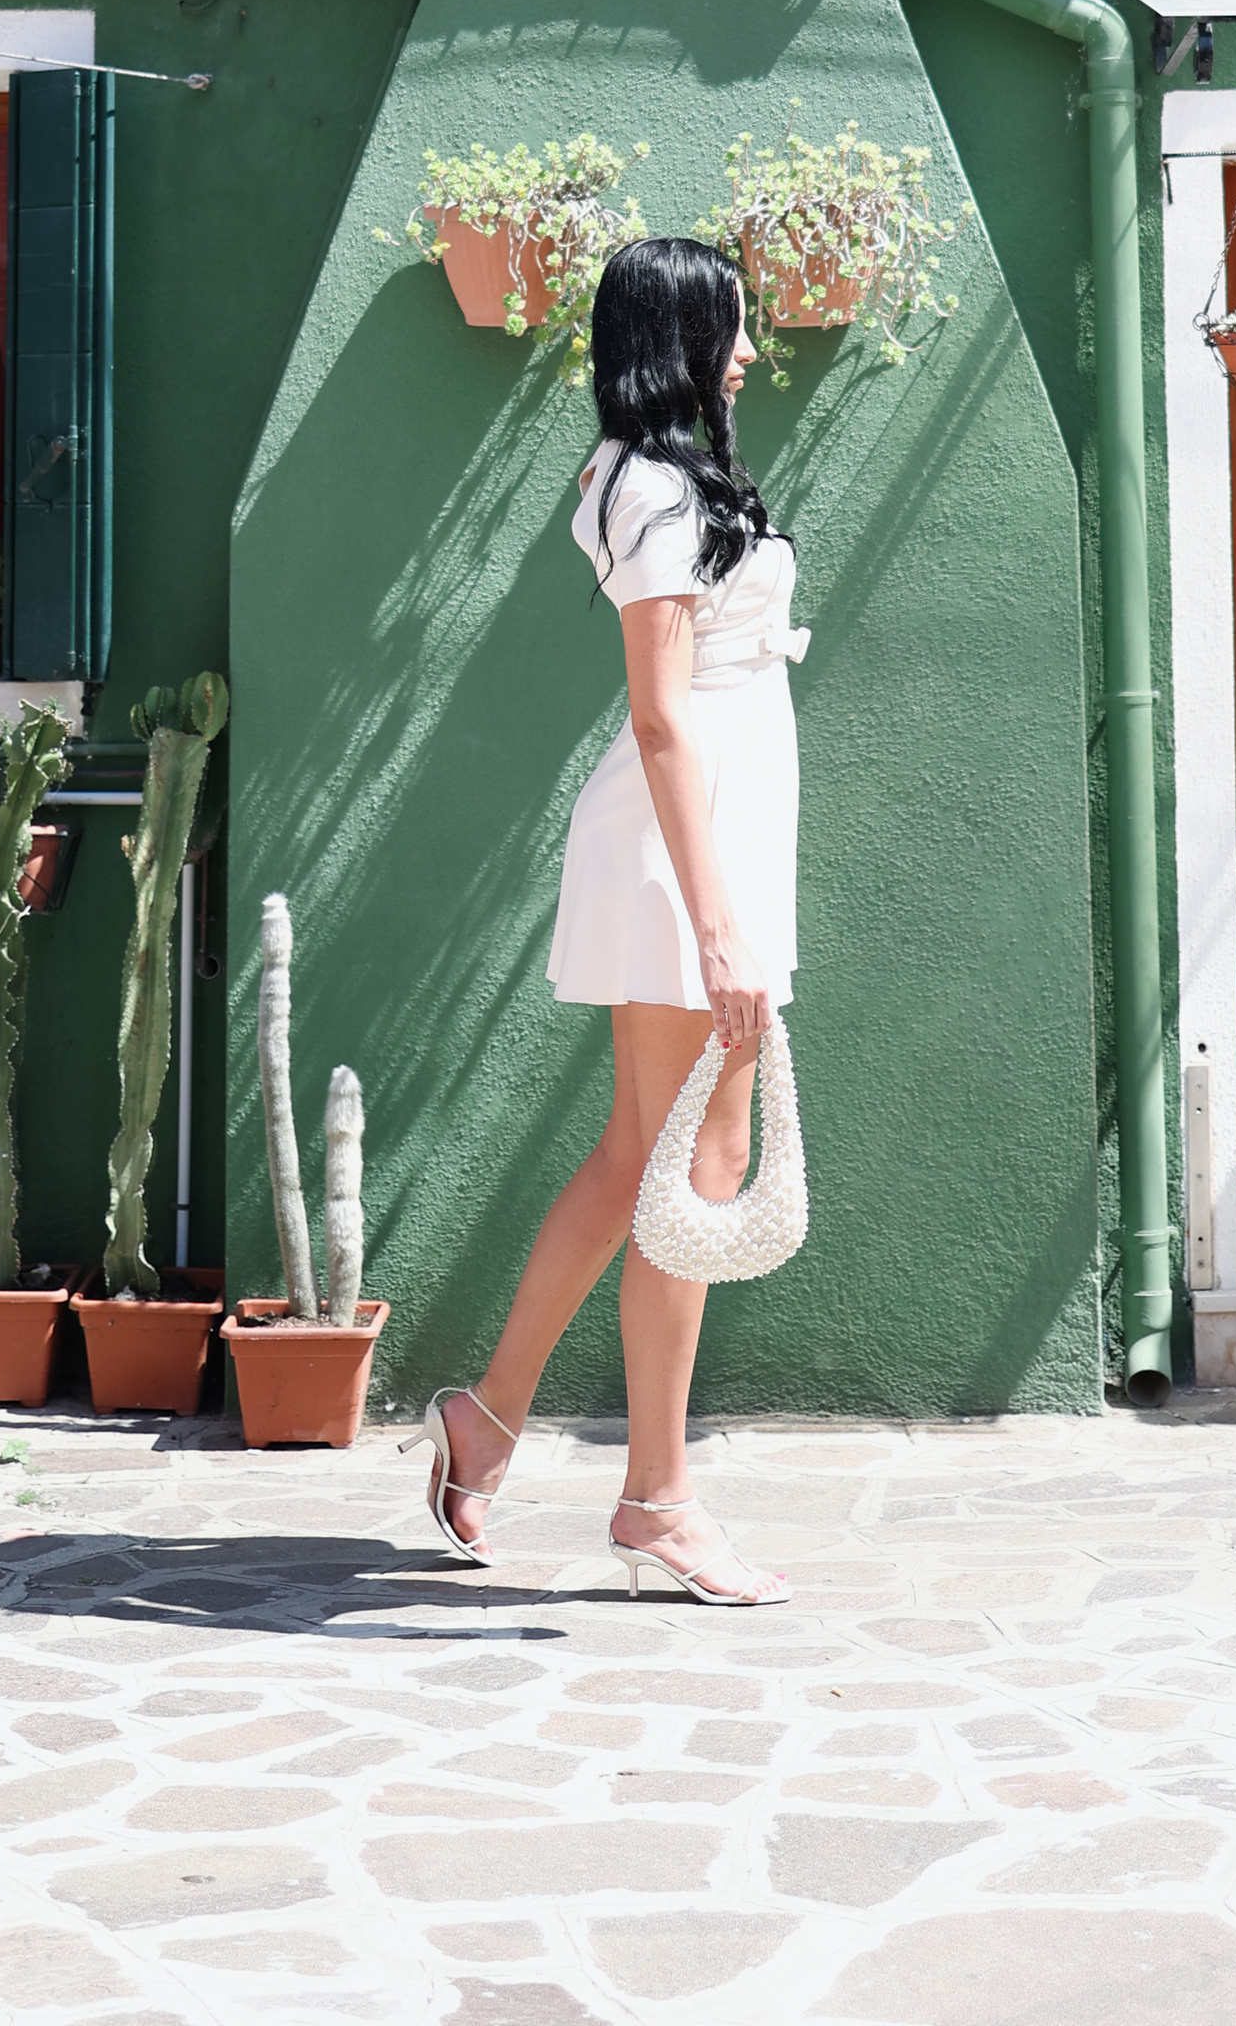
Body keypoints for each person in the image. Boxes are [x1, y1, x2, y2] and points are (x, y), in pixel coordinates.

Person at [415, 235, 803, 1607]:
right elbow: (657, 712)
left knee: (649, 1155)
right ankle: (657, 1497)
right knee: (690, 1169)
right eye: (733, 330)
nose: (749, 351)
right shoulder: (648, 490)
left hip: (712, 835)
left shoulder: (655, 477)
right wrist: (717, 923)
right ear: (681, 337)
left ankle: (494, 1420)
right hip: (684, 852)